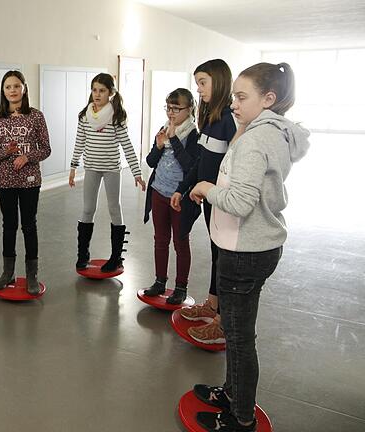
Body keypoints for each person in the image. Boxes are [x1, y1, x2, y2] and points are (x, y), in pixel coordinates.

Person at [188, 62, 308, 432]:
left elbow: (240, 202)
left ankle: (240, 418)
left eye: (242, 97)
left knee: (238, 339)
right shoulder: (266, 132)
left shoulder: (257, 139)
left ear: (268, 99)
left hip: (245, 251)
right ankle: (232, 392)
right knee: (241, 332)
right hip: (255, 247)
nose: (234, 104)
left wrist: (206, 187)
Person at [171, 59, 237, 338]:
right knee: (215, 252)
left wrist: (208, 190)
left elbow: (234, 167)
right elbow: (200, 163)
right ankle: (212, 305)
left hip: (222, 200)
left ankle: (222, 322)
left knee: (225, 258)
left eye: (203, 82)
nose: (198, 89)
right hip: (208, 198)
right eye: (197, 82)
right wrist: (183, 188)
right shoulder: (211, 118)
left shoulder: (229, 121)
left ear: (219, 81)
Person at [69, 73, 145, 273]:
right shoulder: (85, 116)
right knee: (88, 209)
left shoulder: (116, 117)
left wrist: (137, 172)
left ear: (111, 93)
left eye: (102, 91)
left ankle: (116, 257)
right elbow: (79, 142)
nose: (97, 94)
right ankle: (82, 254)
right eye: (94, 90)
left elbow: (127, 145)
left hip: (111, 168)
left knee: (114, 208)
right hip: (91, 168)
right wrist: (73, 166)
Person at [0, 70, 51, 295]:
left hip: (30, 181)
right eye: (7, 87)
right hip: (5, 181)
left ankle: (32, 275)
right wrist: (7, 151)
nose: (12, 90)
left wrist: (27, 156)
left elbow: (46, 149)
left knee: (29, 225)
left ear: (24, 88)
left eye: (16, 86)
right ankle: (7, 273)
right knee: (9, 225)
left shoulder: (36, 116)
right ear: (3, 91)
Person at [142, 88, 199, 303]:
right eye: (168, 107)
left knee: (180, 241)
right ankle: (159, 281)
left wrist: (173, 141)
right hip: (158, 191)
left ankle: (181, 287)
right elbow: (150, 161)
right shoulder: (164, 128)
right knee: (160, 239)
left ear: (189, 109)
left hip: (180, 196)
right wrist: (158, 146)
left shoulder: (193, 134)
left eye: (176, 108)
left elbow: (191, 167)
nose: (171, 113)